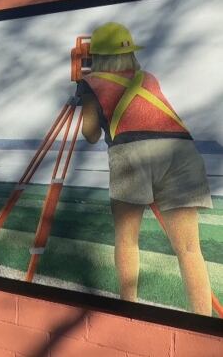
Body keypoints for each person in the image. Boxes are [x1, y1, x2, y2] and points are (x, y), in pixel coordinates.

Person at [77, 22, 213, 315]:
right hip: (181, 152)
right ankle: (203, 321)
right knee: (190, 249)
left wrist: (86, 98)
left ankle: (130, 313)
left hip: (131, 153)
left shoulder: (92, 83)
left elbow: (90, 135)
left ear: (97, 56)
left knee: (128, 241)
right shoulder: (147, 77)